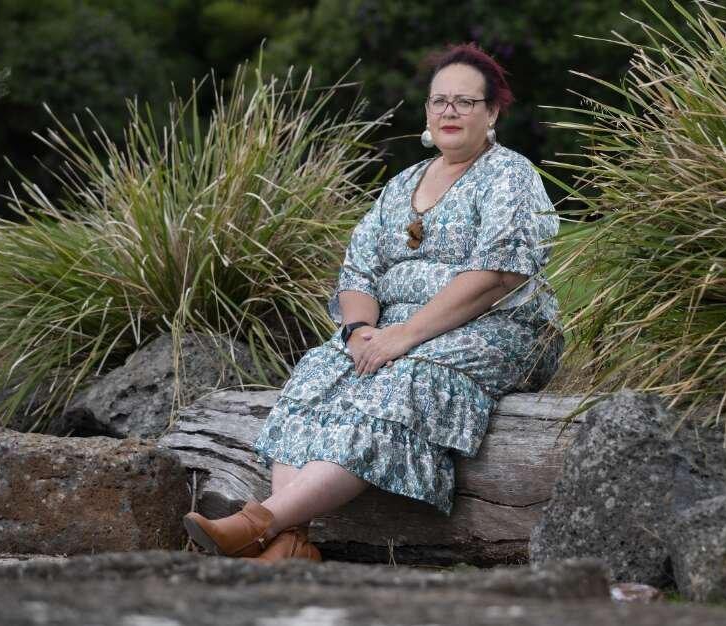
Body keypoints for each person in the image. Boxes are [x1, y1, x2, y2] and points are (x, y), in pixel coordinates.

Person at [182, 42, 564, 563]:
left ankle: (259, 521)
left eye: (465, 102)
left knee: (404, 376)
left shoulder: (508, 175)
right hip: (391, 333)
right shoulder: (401, 184)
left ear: (492, 112)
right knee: (319, 369)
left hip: (496, 327)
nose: (449, 111)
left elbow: (496, 275)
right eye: (439, 101)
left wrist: (401, 338)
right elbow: (357, 272)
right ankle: (291, 545)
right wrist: (361, 331)